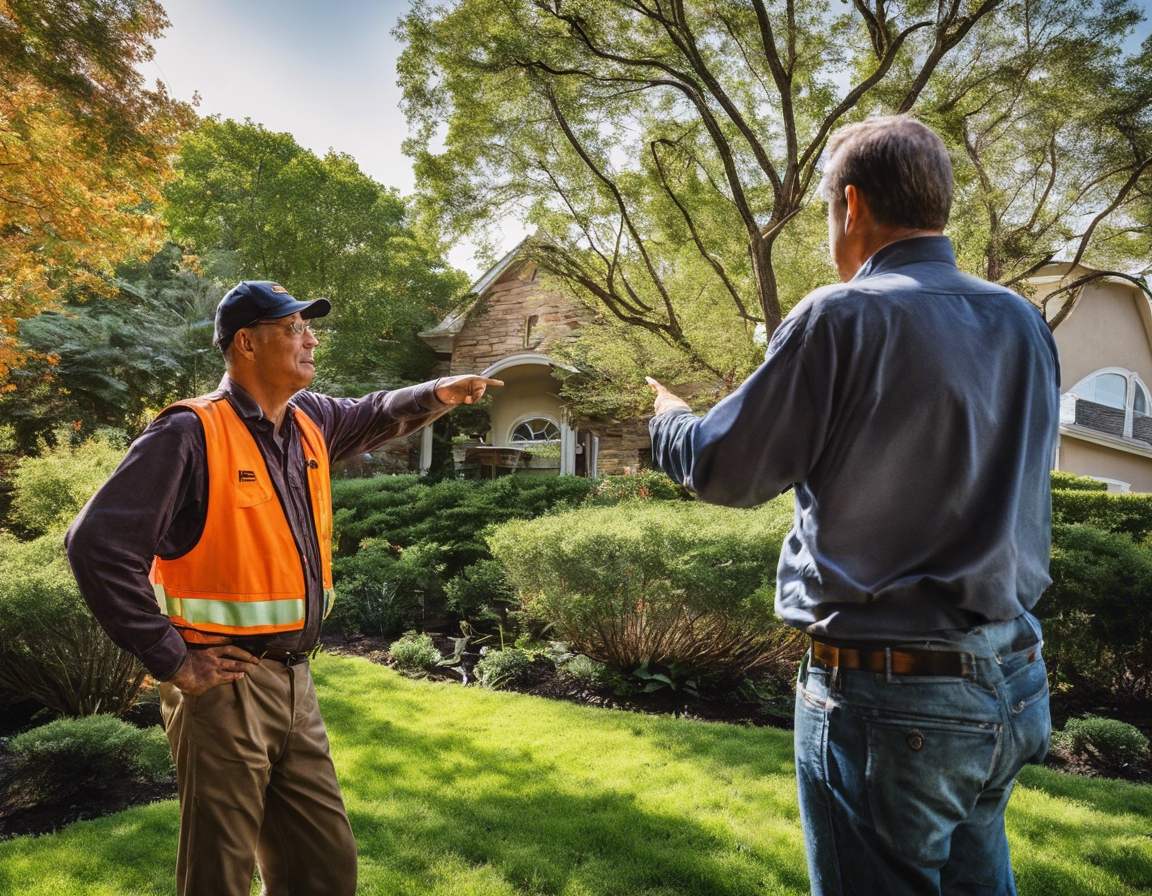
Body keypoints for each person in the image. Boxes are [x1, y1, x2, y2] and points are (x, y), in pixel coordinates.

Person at [646, 117, 1058, 896]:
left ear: (854, 204)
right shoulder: (1023, 321)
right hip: (1012, 679)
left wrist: (668, 418)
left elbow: (721, 469)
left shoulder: (842, 315)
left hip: (891, 702)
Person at [65, 280, 502, 896]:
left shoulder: (310, 421)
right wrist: (171, 658)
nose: (311, 339)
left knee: (322, 868)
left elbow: (376, 412)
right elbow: (96, 544)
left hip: (297, 681)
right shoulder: (188, 433)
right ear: (246, 343)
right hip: (225, 685)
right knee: (220, 874)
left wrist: (439, 392)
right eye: (294, 328)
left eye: (307, 327)